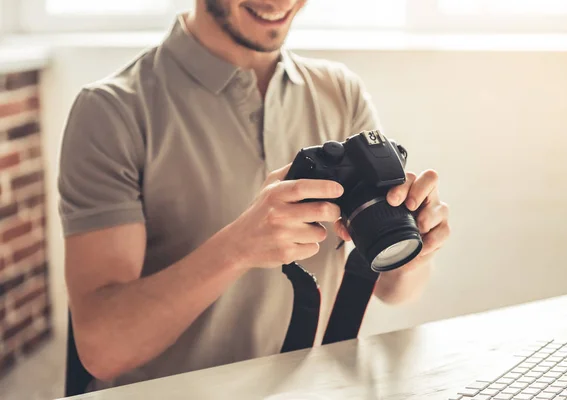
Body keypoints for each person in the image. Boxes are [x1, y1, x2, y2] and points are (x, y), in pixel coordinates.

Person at [58, 0, 451, 391]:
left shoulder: (339, 92)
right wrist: (237, 247)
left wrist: (418, 242)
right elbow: (103, 348)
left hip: (309, 389)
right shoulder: (111, 111)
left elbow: (395, 289)